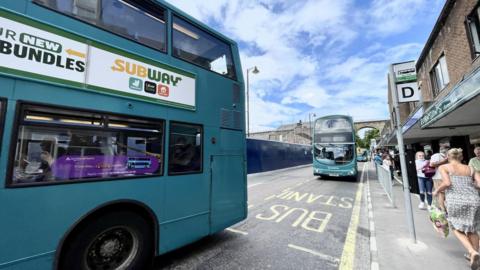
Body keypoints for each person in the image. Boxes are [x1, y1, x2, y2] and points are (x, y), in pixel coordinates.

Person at [433, 148, 480, 269]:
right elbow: (479, 184)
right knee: (472, 228)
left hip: (455, 200)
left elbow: (447, 183)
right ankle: (474, 255)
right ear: (461, 157)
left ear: (448, 157)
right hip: (474, 200)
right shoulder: (471, 168)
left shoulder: (444, 168)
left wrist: (437, 190)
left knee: (455, 227)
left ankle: (472, 251)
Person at [430, 144, 450, 211]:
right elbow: (432, 164)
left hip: (447, 177)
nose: (446, 150)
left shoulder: (449, 156)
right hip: (438, 177)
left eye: (447, 149)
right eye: (446, 149)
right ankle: (442, 209)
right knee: (441, 193)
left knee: (446, 193)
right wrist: (444, 161)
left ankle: (446, 208)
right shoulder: (436, 155)